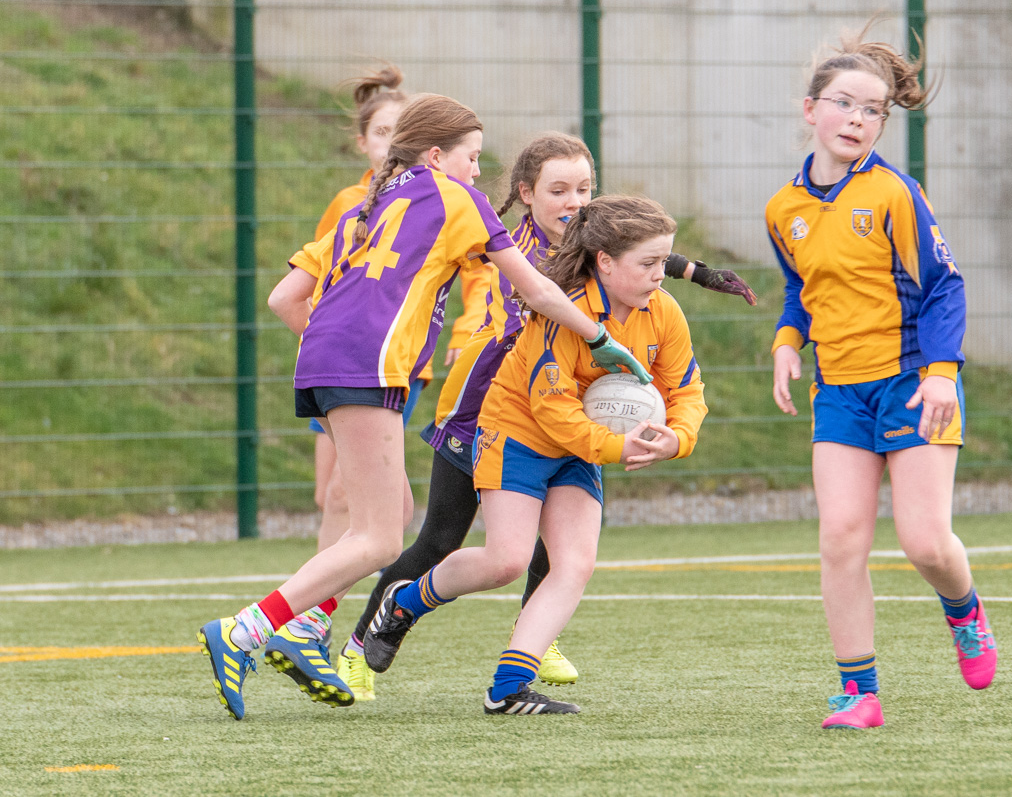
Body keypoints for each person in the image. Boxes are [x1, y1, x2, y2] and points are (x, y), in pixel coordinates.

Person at [198, 94, 651, 721]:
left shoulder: (366, 202)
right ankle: (252, 628)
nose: (476, 170)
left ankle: (303, 626)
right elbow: (539, 289)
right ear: (439, 156)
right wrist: (602, 340)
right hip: (370, 369)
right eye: (472, 157)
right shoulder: (454, 199)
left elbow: (285, 297)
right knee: (381, 535)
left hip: (334, 363)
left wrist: (333, 347)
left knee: (392, 516)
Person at [335, 133, 756, 701]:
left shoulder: (621, 268)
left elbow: (637, 250)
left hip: (573, 415)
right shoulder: (509, 247)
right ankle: (364, 644)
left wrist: (695, 271)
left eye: (585, 189)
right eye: (559, 190)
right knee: (445, 538)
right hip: (485, 406)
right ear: (525, 194)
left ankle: (528, 651)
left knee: (562, 554)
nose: (575, 201)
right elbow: (609, 263)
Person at [766, 26, 996, 730]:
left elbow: (943, 287)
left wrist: (938, 377)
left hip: (913, 382)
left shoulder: (894, 193)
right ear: (811, 110)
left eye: (874, 110)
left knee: (925, 542)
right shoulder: (783, 209)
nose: (859, 119)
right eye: (846, 104)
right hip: (838, 390)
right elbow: (799, 288)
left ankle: (963, 610)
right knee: (839, 537)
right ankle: (857, 693)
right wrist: (785, 341)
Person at [262, 67, 491, 702]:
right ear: (366, 140)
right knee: (339, 496)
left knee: (383, 508)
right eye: (380, 130)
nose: (390, 139)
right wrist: (337, 348)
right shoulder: (353, 204)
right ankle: (299, 622)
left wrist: (470, 331)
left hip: (398, 369)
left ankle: (307, 621)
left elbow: (475, 278)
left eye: (399, 128)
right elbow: (311, 289)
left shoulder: (440, 201)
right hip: (354, 363)